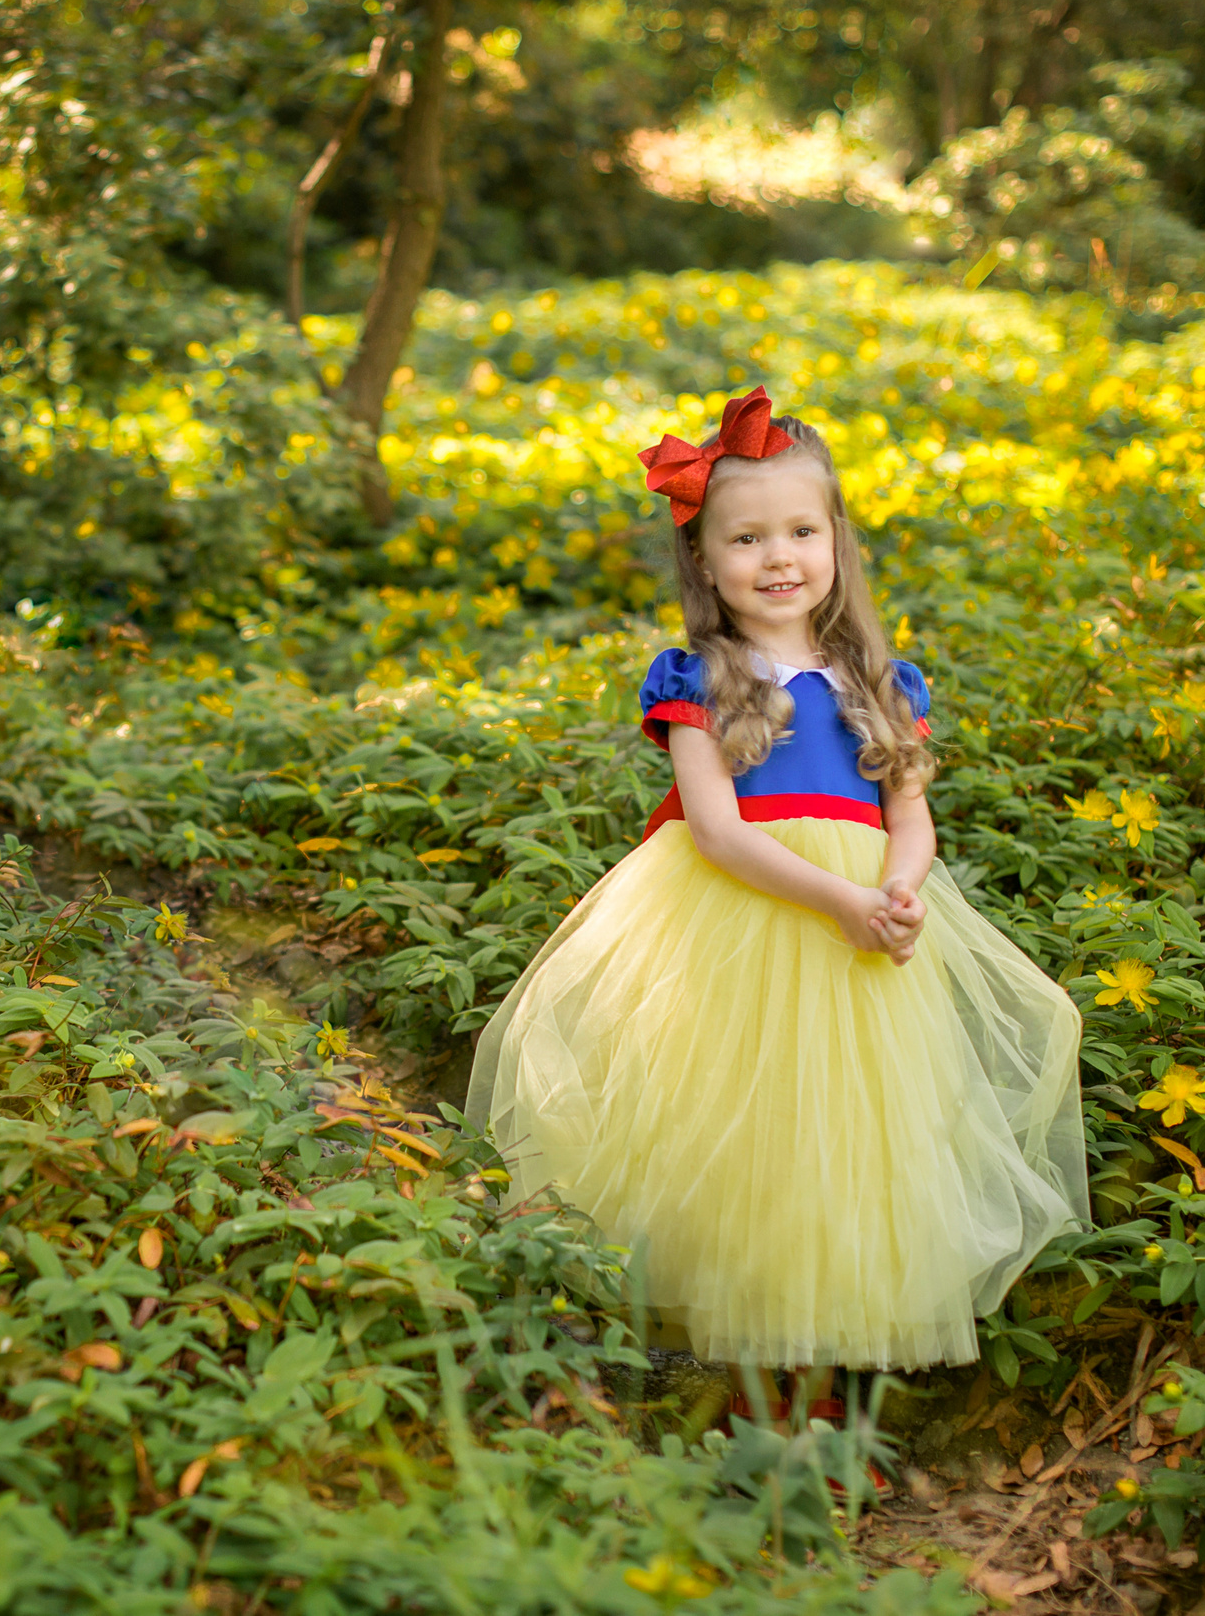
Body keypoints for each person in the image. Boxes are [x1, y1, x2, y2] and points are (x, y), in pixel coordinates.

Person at [465, 386, 1089, 1425]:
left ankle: (826, 1383)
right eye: (746, 536)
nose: (778, 555)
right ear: (704, 559)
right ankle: (749, 1385)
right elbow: (714, 829)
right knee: (743, 1127)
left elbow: (912, 815)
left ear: (835, 539)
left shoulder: (879, 679)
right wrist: (839, 897)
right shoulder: (698, 678)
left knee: (858, 1137)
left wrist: (895, 888)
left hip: (861, 935)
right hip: (742, 917)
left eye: (801, 529)